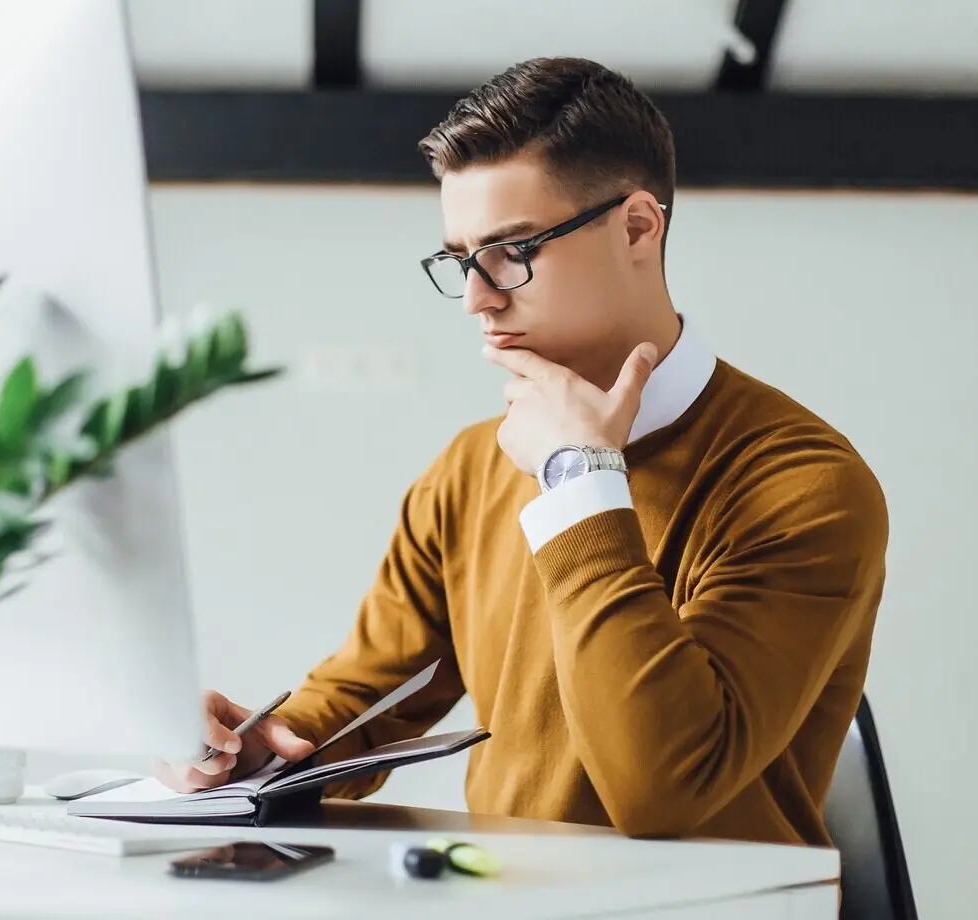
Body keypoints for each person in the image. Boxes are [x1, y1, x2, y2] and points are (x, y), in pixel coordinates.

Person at [155, 56, 888, 846]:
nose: (476, 296)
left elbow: (662, 790)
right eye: (458, 259)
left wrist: (581, 481)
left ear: (639, 226)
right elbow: (368, 701)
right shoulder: (469, 469)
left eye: (512, 250)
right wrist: (255, 750)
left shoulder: (805, 484)